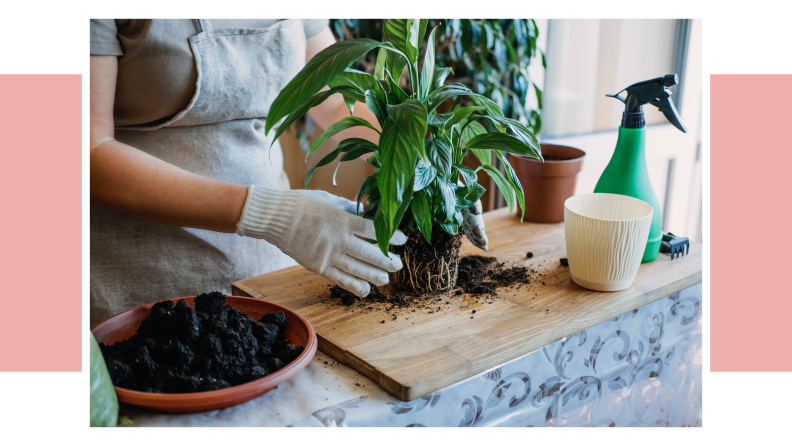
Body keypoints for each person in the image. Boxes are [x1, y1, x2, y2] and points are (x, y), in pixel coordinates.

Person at [90, 19, 488, 327]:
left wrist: (426, 165)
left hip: (269, 276)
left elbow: (336, 102)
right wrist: (271, 214)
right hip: (142, 292)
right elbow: (86, 152)